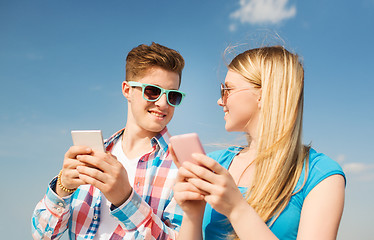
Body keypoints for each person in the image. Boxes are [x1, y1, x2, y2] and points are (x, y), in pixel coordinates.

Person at [172, 46, 346, 240]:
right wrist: (192, 215)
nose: (220, 101)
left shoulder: (320, 174)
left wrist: (237, 209)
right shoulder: (213, 164)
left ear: (264, 94)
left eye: (227, 90)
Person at [32, 42, 186, 239]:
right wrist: (63, 188)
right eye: (153, 91)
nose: (163, 103)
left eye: (173, 95)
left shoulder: (183, 166)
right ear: (127, 90)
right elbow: (41, 235)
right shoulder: (93, 153)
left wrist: (125, 200)